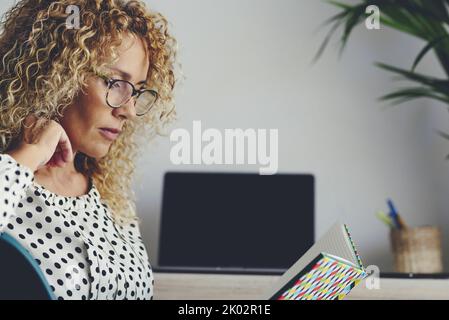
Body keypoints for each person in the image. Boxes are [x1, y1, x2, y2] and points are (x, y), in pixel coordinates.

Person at [0, 0, 177, 300]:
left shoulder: (111, 194)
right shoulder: (12, 178)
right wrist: (29, 154)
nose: (129, 111)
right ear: (57, 71)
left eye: (137, 90)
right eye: (115, 82)